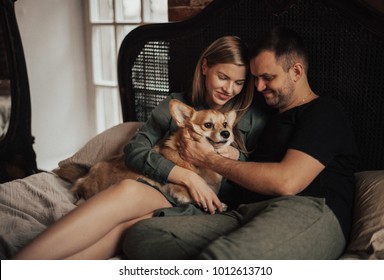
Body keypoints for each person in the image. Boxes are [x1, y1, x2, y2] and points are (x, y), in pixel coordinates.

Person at [12, 36, 266, 260]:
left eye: (239, 82)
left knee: (129, 226)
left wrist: (229, 158)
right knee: (127, 192)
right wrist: (185, 175)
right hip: (166, 190)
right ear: (205, 67)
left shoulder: (249, 117)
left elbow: (256, 178)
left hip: (207, 207)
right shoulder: (176, 105)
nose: (229, 89)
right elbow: (135, 151)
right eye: (223, 77)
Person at [122, 27, 360, 260]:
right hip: (245, 212)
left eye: (268, 77)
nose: (258, 87)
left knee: (224, 259)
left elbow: (287, 182)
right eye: (255, 79)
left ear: (296, 72)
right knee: (141, 236)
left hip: (306, 209)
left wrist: (208, 158)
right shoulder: (266, 119)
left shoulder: (324, 112)